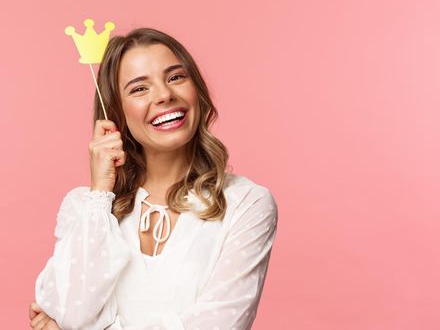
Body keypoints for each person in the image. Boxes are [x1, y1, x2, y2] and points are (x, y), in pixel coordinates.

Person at [28, 27, 279, 329]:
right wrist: (100, 194)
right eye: (139, 88)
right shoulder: (84, 207)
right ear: (117, 113)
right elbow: (71, 310)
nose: (164, 95)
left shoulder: (246, 204)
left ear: (196, 90)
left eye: (175, 77)